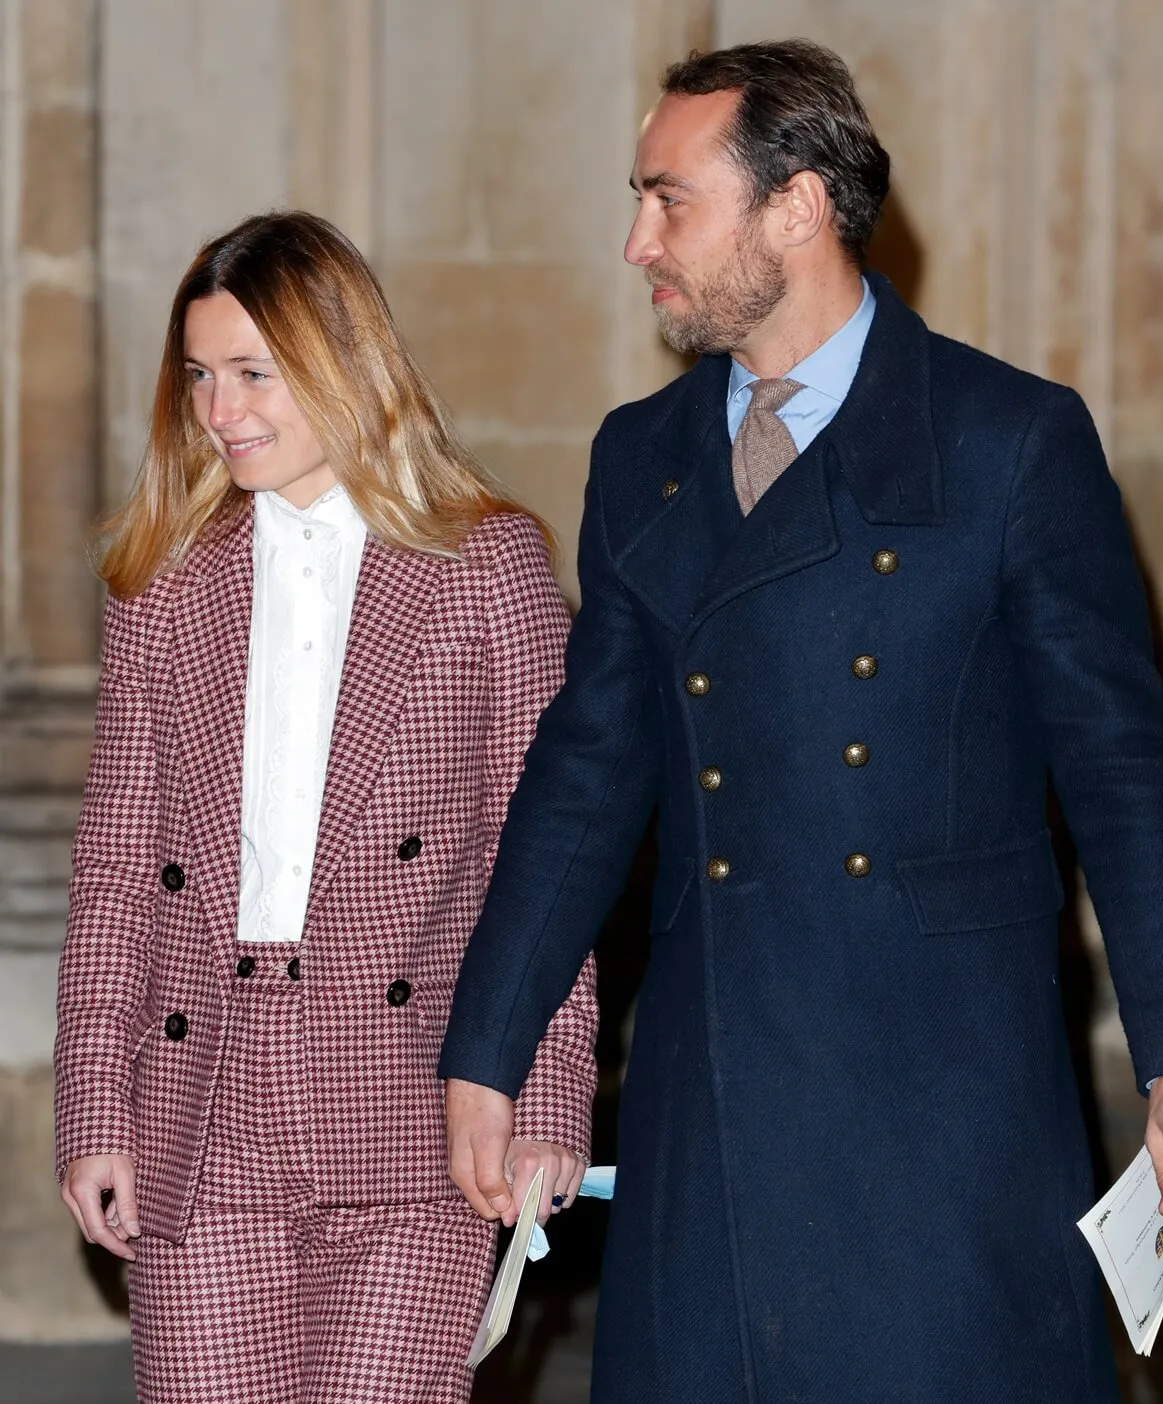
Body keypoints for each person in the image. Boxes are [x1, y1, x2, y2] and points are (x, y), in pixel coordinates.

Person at [438, 38, 1163, 1404]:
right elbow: (585, 771)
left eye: (671, 201)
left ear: (795, 204)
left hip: (939, 1100)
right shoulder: (643, 456)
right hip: (710, 1092)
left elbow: (1124, 774)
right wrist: (488, 1046)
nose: (634, 244)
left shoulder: (1007, 440)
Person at [54, 210, 596, 1404]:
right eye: (199, 376)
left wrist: (548, 1094)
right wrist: (94, 1100)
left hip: (417, 1095)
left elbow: (549, 858)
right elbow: (115, 871)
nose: (220, 410)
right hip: (208, 1088)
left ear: (343, 365)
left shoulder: (486, 566)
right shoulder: (163, 579)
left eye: (255, 373)